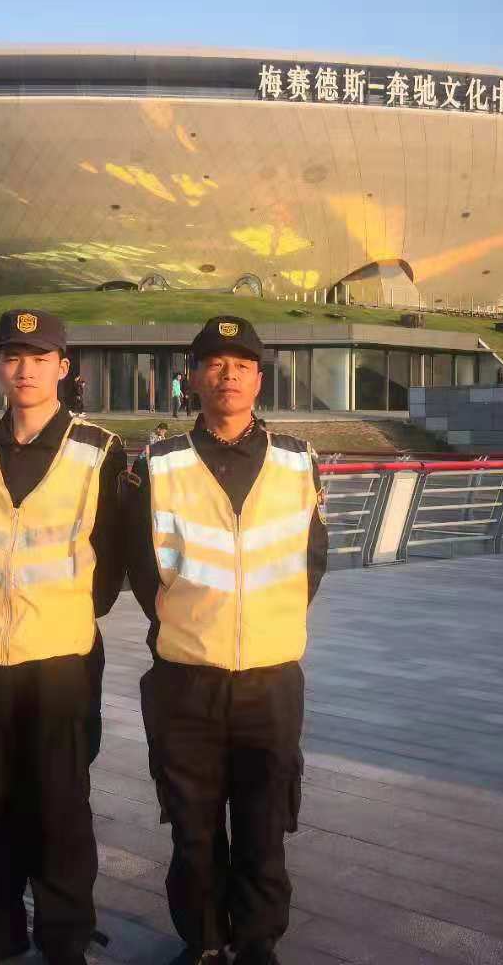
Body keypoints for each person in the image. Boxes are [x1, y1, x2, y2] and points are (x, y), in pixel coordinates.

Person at [127, 317, 328, 965]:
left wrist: (267, 623)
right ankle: (205, 940)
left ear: (259, 379)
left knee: (265, 823)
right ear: (193, 377)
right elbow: (141, 567)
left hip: (271, 679)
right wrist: (193, 625)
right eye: (214, 363)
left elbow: (311, 559)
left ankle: (258, 942)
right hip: (187, 676)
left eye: (242, 364)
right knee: (193, 826)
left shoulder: (297, 461)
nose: (228, 375)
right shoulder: (160, 465)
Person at [0, 308, 127, 965]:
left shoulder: (98, 450)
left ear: (62, 368)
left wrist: (62, 613)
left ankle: (64, 939)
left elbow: (112, 558)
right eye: (13, 357)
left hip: (61, 659)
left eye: (40, 358)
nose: (26, 370)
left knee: (60, 805)